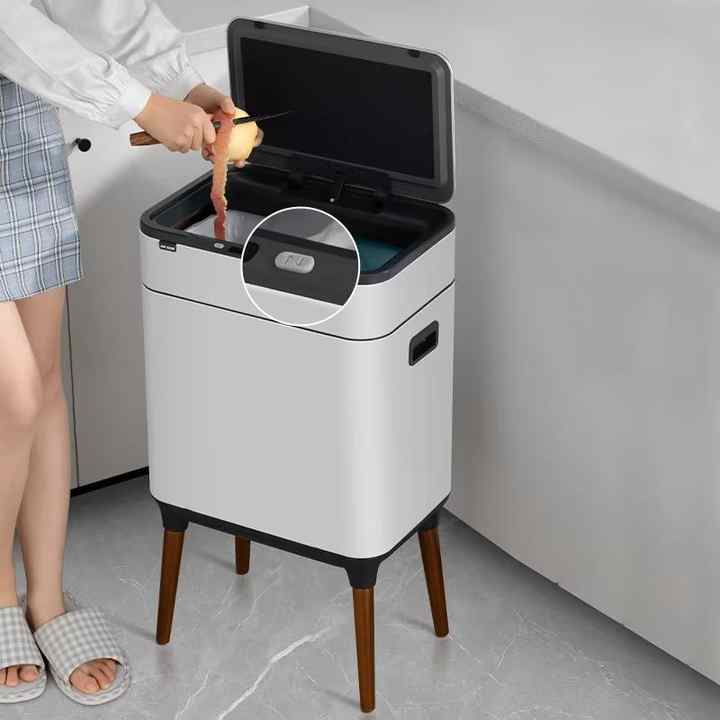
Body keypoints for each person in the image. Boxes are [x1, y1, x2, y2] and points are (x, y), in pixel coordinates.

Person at [0, 0, 260, 706]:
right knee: (12, 395)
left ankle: (45, 599)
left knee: (42, 381)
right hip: (17, 63)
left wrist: (183, 83)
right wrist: (142, 103)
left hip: (16, 119)